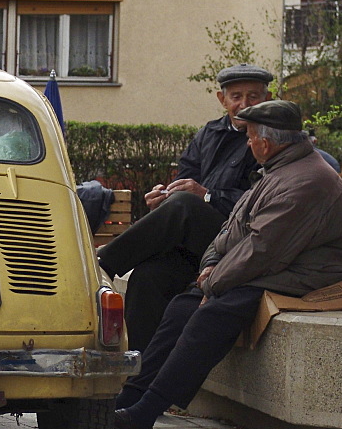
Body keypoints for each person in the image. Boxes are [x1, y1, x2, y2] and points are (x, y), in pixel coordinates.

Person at [113, 100, 342, 429]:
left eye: (250, 136)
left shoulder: (305, 180)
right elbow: (230, 231)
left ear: (266, 141)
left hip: (301, 272)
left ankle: (144, 413)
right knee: (182, 306)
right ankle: (129, 401)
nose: (247, 143)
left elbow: (262, 250)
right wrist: (210, 266)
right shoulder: (278, 170)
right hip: (272, 266)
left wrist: (213, 283)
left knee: (212, 313)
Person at [97, 64, 273, 352]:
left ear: (267, 98)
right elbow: (185, 178)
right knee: (147, 276)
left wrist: (207, 196)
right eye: (236, 97)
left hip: (239, 239)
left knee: (184, 204)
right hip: (199, 245)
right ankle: (138, 373)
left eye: (253, 97)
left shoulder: (270, 139)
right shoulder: (209, 133)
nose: (244, 105)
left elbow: (259, 200)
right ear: (222, 99)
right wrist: (164, 195)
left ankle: (102, 264)